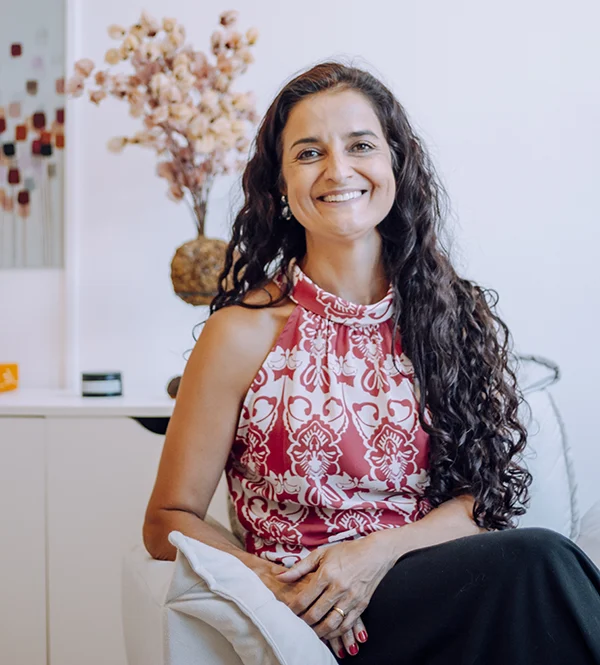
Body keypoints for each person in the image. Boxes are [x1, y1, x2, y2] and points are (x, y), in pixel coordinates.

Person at [143, 61, 600, 664]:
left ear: (395, 165)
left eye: (360, 145)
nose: (338, 170)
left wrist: (375, 553)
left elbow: (481, 502)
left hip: (441, 587)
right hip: (326, 619)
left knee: (538, 567)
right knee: (540, 564)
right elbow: (167, 519)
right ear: (280, 184)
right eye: (309, 153)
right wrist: (275, 585)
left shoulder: (451, 315)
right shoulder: (240, 334)